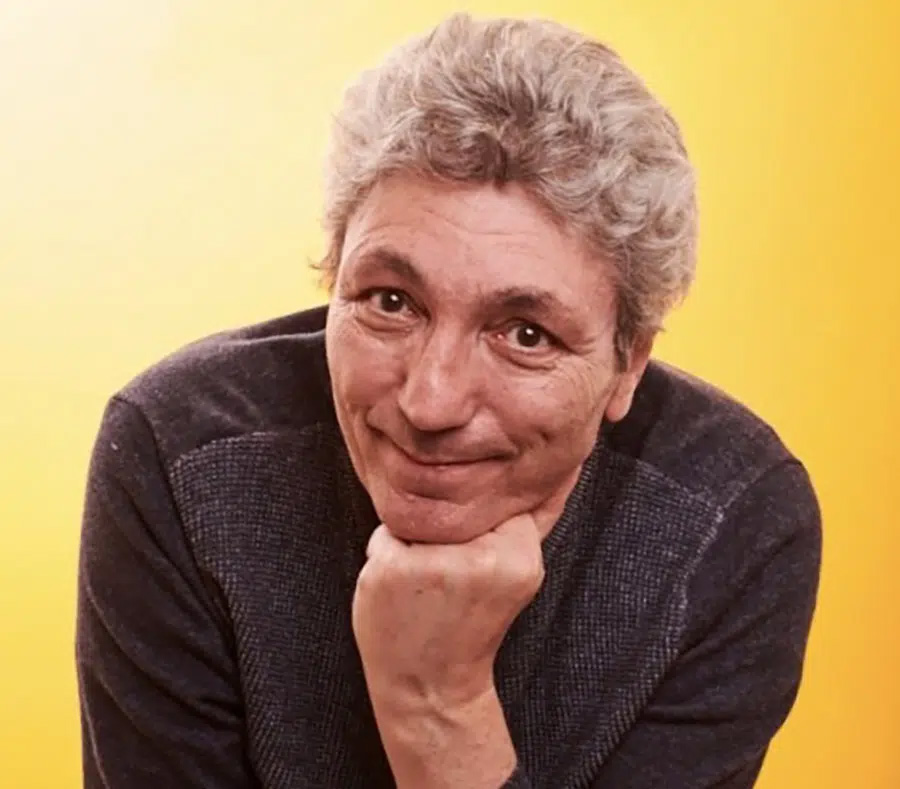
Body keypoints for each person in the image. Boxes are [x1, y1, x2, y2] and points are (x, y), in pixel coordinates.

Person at [75, 12, 821, 789]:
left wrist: (436, 700)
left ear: (627, 362)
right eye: (391, 301)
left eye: (525, 334)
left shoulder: (732, 522)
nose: (430, 402)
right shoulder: (178, 457)